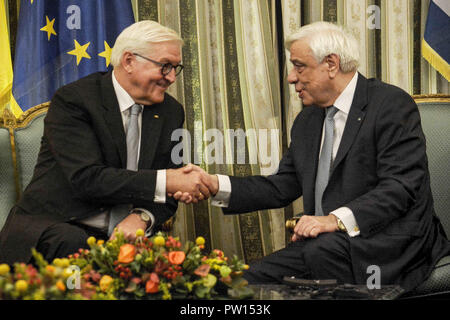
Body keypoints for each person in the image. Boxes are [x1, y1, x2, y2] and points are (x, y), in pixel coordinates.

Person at [176, 21, 450, 292]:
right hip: (325, 245)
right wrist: (215, 185)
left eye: (299, 66)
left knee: (322, 253)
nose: (291, 77)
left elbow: (400, 187)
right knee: (237, 284)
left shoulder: (390, 105)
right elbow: (281, 187)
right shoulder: (308, 120)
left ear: (331, 64)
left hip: (387, 242)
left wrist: (334, 220)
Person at [0, 21, 211, 265]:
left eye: (176, 68)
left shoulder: (170, 112)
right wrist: (168, 179)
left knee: (184, 270)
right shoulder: (75, 100)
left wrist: (141, 217)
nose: (172, 78)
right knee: (74, 243)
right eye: (165, 66)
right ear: (129, 61)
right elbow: (87, 179)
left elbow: (168, 194)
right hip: (56, 227)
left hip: (123, 237)